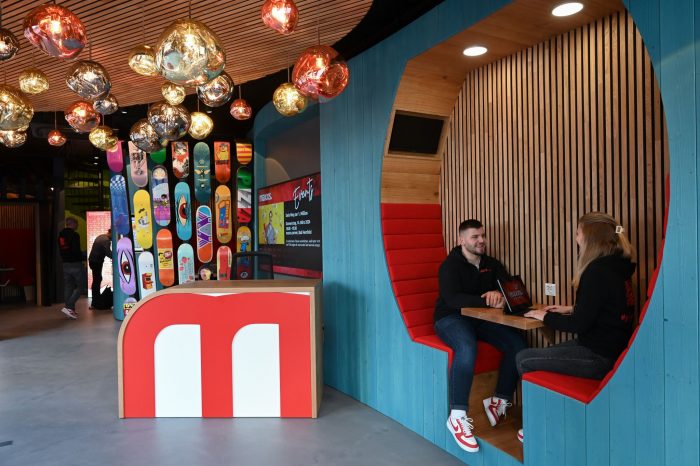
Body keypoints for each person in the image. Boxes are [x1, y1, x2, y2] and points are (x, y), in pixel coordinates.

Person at [515, 212, 636, 443]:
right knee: (541, 354)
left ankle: (538, 426)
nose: (576, 237)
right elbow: (608, 306)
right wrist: (570, 308)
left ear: (590, 237)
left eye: (578, 232)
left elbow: (579, 325)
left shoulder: (596, 271)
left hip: (598, 356)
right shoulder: (618, 266)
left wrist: (544, 316)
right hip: (612, 349)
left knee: (523, 358)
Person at [435, 219, 527, 453]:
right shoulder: (450, 266)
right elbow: (452, 299)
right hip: (450, 319)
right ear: (461, 240)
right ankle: (457, 416)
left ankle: (499, 400)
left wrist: (499, 294)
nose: (481, 241)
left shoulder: (491, 264)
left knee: (518, 344)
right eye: (475, 237)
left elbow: (511, 289)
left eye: (482, 236)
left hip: (480, 320)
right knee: (467, 348)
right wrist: (486, 300)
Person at [58, 217, 85, 319]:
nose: (77, 226)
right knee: (81, 287)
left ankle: (70, 311)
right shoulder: (74, 235)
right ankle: (68, 307)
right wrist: (82, 256)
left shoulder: (61, 235)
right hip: (75, 264)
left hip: (65, 263)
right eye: (76, 224)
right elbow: (76, 250)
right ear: (73, 224)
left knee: (68, 286)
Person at [88, 228, 112, 310]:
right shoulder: (106, 240)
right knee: (97, 281)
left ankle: (95, 302)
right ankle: (95, 302)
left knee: (97, 280)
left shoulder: (101, 236)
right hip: (96, 262)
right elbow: (108, 253)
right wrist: (117, 257)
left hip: (92, 261)